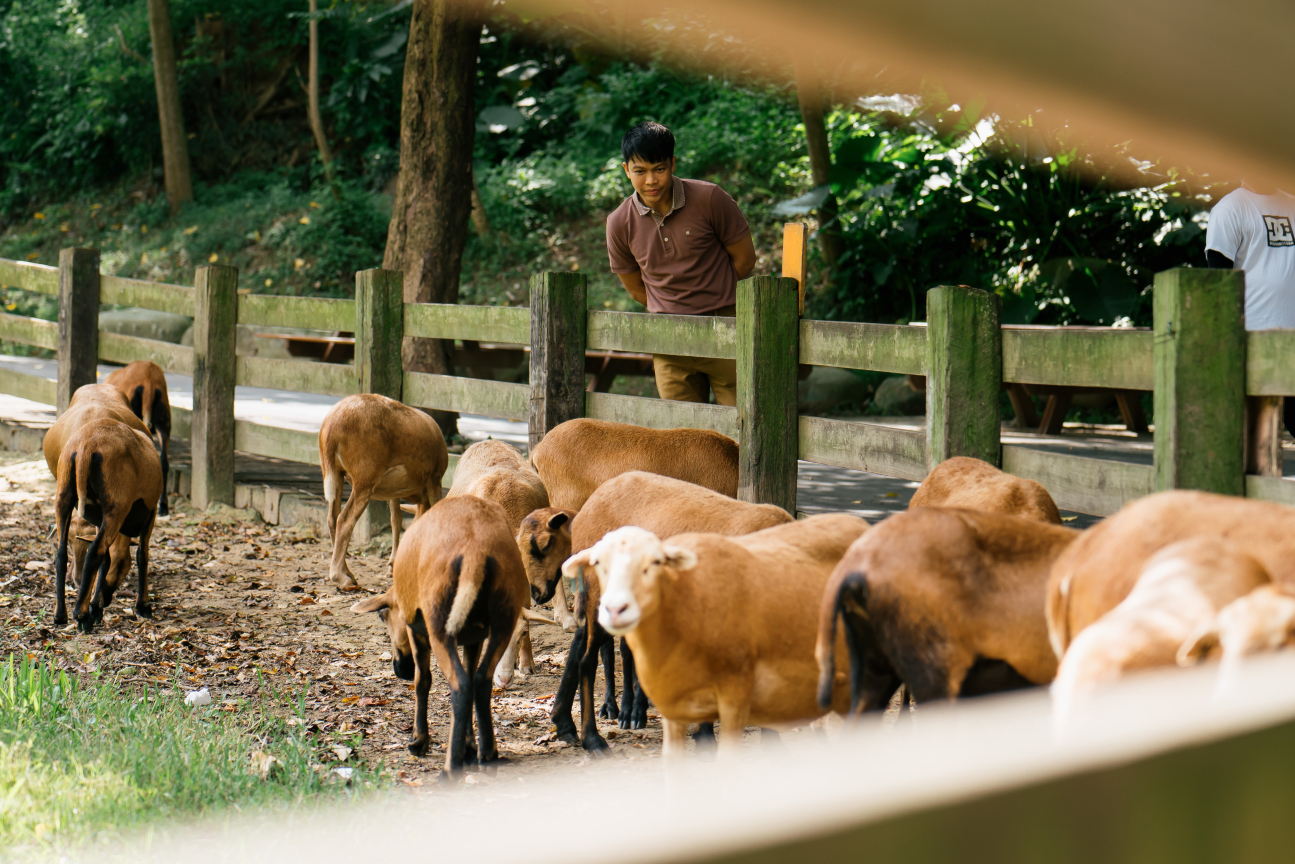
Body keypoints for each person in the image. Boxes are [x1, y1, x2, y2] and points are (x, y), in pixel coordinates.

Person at [605, 121, 756, 406]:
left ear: (673, 164)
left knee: (742, 425)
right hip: (669, 340)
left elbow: (745, 258)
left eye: (659, 169)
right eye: (640, 171)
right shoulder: (619, 223)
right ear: (626, 170)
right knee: (682, 436)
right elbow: (637, 289)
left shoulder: (710, 199)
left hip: (726, 329)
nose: (651, 180)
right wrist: (674, 308)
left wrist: (715, 296)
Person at [1206, 182, 1295, 432]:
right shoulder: (1229, 209)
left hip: (1293, 341)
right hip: (1251, 342)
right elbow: (1218, 285)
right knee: (1252, 437)